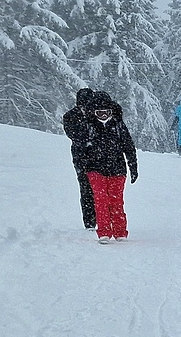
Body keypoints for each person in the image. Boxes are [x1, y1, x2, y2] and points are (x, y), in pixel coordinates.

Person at [81, 92, 137, 244]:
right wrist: (84, 165)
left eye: (107, 112)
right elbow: (82, 148)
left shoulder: (119, 125)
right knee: (100, 200)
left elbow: (129, 147)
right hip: (95, 168)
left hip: (117, 169)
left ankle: (120, 231)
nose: (104, 116)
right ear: (94, 112)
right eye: (100, 112)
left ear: (112, 111)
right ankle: (104, 231)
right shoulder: (89, 126)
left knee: (116, 200)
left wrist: (133, 166)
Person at [63, 87, 97, 229]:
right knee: (86, 189)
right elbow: (74, 135)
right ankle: (89, 222)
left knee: (99, 189)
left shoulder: (97, 114)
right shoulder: (70, 116)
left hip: (98, 157)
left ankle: (102, 220)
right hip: (80, 157)